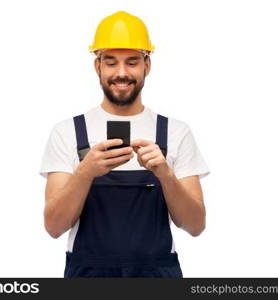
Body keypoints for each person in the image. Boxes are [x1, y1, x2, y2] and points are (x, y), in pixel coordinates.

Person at [39, 10, 211, 278]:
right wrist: (86, 173)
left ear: (147, 65)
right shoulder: (68, 133)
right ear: (98, 66)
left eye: (132, 62)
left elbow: (195, 225)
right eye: (111, 62)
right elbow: (53, 226)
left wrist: (165, 175)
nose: (121, 73)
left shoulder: (176, 132)